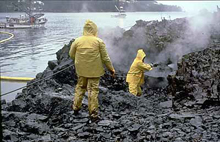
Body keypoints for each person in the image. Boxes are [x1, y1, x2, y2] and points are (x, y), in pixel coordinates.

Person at [69, 20, 115, 121]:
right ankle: (93, 113)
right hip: (94, 71)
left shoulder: (77, 41)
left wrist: (79, 60)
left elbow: (71, 54)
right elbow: (105, 58)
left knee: (80, 87)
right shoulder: (99, 41)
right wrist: (111, 69)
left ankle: (76, 108)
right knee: (93, 90)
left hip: (81, 70)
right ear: (94, 30)